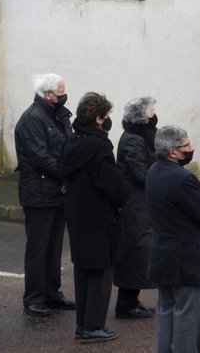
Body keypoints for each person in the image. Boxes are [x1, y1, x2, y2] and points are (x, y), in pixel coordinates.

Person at [61, 93, 127, 344]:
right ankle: (93, 326)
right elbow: (112, 184)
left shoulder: (72, 140)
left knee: (84, 271)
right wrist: (121, 197)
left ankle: (83, 323)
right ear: (99, 118)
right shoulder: (99, 145)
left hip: (77, 214)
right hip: (99, 216)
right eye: (106, 116)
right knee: (100, 272)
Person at [147, 126, 200, 353]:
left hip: (162, 253)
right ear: (173, 152)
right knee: (188, 316)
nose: (191, 148)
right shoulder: (183, 178)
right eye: (186, 146)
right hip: (187, 256)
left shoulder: (153, 171)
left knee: (165, 311)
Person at [14, 73, 77, 316]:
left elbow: (66, 146)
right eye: (60, 93)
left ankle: (52, 292)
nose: (63, 96)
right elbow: (40, 156)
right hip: (39, 191)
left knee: (54, 245)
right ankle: (33, 297)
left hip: (57, 190)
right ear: (47, 94)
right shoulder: (33, 119)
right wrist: (65, 175)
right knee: (38, 247)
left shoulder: (56, 114)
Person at [114, 97, 158, 320]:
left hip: (140, 203)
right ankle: (126, 304)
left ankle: (131, 300)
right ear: (142, 117)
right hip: (134, 204)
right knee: (134, 252)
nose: (155, 116)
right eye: (151, 112)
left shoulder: (140, 137)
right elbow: (140, 174)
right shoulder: (133, 140)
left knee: (139, 252)